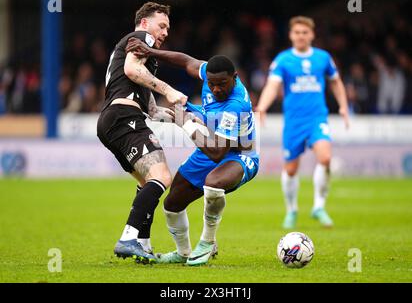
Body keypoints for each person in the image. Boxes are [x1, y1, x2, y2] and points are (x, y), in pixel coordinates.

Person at [126, 38, 259, 265]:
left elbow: (217, 153)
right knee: (172, 204)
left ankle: (207, 242)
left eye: (222, 84)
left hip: (238, 155)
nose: (216, 89)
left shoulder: (236, 105)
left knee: (213, 183)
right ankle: (183, 252)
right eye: (212, 83)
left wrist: (184, 122)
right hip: (210, 143)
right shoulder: (211, 73)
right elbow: (187, 61)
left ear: (235, 79)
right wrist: (151, 52)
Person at [96, 2, 188, 264]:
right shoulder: (141, 38)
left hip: (111, 120)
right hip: (125, 117)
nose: (165, 32)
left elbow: (150, 108)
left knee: (147, 181)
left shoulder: (135, 51)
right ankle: (128, 238)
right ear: (145, 23)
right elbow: (132, 70)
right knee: (162, 176)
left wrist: (172, 116)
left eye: (168, 28)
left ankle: (143, 246)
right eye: (162, 25)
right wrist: (169, 90)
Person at [255, 16, 349, 229]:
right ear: (291, 35)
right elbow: (272, 85)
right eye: (297, 32)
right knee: (290, 169)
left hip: (317, 118)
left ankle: (319, 207)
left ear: (312, 35)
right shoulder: (283, 60)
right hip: (294, 122)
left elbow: (336, 82)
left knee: (325, 158)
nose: (301, 36)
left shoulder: (323, 58)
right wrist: (262, 106)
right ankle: (292, 210)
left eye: (305, 32)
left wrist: (343, 105)